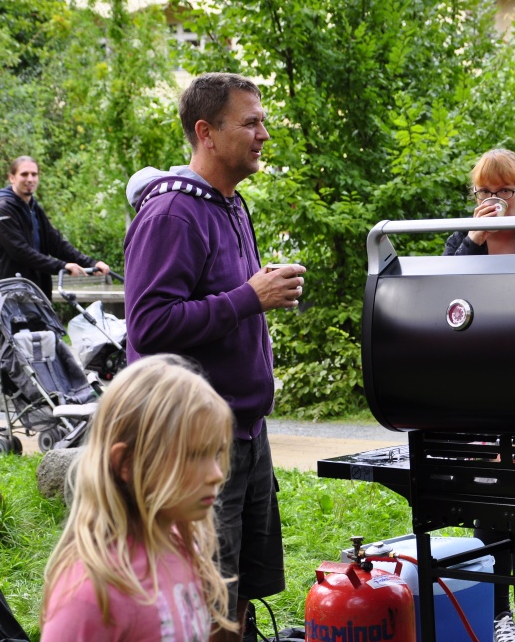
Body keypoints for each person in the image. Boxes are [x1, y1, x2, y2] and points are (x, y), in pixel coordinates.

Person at [124, 72, 305, 642]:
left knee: (238, 588)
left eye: (263, 121)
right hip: (191, 441)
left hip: (245, 431)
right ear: (206, 132)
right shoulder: (173, 213)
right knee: (202, 593)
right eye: (250, 122)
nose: (263, 134)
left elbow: (226, 303)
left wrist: (253, 295)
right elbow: (149, 326)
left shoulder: (231, 205)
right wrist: (248, 298)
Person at [41, 354, 236, 641]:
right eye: (194, 455)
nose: (217, 474)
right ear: (126, 463)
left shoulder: (183, 545)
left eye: (217, 454)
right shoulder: (90, 595)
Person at [442, 148, 515, 642]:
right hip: (483, 386)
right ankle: (498, 615)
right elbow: (442, 299)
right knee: (489, 503)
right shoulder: (462, 238)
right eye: (483, 192)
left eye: (502, 191)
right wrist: (473, 239)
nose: (492, 200)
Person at [0, 156, 110, 436]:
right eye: (24, 174)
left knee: (6, 350)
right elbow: (20, 251)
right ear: (11, 177)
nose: (30, 179)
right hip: (10, 294)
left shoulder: (32, 207)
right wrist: (61, 266)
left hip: (31, 293)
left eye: (34, 174)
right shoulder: (2, 209)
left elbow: (55, 241)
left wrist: (89, 262)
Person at [442, 148, 515, 257]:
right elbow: (448, 278)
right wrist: (471, 243)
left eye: (504, 190)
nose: (494, 199)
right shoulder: (460, 238)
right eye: (484, 191)